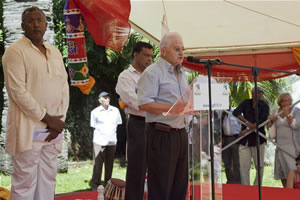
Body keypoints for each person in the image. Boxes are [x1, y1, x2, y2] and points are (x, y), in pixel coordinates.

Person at [2, 7, 69, 200]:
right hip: (29, 129)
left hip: (53, 130)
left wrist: (59, 120)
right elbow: (17, 92)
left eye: (39, 20)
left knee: (48, 179)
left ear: (46, 24)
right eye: (30, 21)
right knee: (25, 182)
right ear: (23, 26)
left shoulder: (54, 52)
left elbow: (63, 86)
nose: (36, 24)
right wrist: (49, 119)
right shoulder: (15, 52)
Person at [137, 32, 189, 200]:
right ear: (164, 51)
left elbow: (184, 104)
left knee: (179, 187)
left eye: (183, 49)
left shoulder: (184, 75)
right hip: (161, 134)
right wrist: (173, 109)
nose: (181, 52)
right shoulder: (152, 72)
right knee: (161, 187)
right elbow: (144, 103)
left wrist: (191, 107)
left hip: (181, 133)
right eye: (177, 49)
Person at [115, 42, 153, 200]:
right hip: (138, 124)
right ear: (135, 55)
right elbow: (134, 101)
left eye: (151, 56)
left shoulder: (153, 76)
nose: (149, 59)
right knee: (137, 169)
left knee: (158, 168)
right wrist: (157, 106)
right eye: (146, 55)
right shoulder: (126, 76)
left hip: (158, 124)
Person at [233, 86, 269, 185]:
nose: (260, 94)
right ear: (253, 94)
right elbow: (236, 112)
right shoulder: (246, 103)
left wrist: (248, 128)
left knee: (260, 166)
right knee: (244, 166)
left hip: (259, 139)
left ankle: (257, 187)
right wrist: (246, 122)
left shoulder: (264, 106)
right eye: (258, 92)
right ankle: (246, 187)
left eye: (261, 92)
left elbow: (261, 121)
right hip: (245, 140)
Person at [90, 91, 122, 190]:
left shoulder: (115, 110)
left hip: (112, 141)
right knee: (97, 164)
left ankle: (108, 185)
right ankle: (96, 185)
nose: (107, 99)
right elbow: (94, 127)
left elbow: (117, 124)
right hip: (99, 141)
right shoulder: (95, 112)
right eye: (104, 97)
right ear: (99, 100)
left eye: (108, 97)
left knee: (109, 165)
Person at [267, 92, 300, 187]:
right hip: (280, 146)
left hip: (293, 146)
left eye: (290, 100)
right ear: (280, 102)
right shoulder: (275, 111)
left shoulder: (296, 111)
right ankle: (285, 192)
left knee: (292, 170)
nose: (289, 102)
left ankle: (294, 192)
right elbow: (269, 127)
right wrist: (270, 120)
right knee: (281, 170)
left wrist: (288, 115)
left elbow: (296, 126)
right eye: (286, 100)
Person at [221, 108, 241, 184]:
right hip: (225, 139)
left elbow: (243, 123)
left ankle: (237, 181)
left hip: (235, 138)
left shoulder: (236, 111)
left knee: (236, 162)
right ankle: (229, 180)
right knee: (227, 162)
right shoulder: (221, 113)